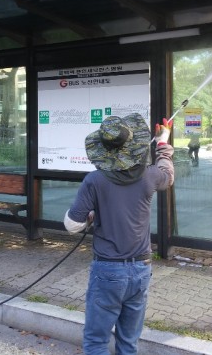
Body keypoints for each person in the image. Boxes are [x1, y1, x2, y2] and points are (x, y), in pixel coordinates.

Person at [63, 113, 174, 355]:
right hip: (141, 269)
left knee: (96, 342)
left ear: (104, 149)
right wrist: (162, 142)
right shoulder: (150, 175)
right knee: (129, 342)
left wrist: (91, 216)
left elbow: (72, 225)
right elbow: (167, 175)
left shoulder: (94, 180)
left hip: (107, 271)